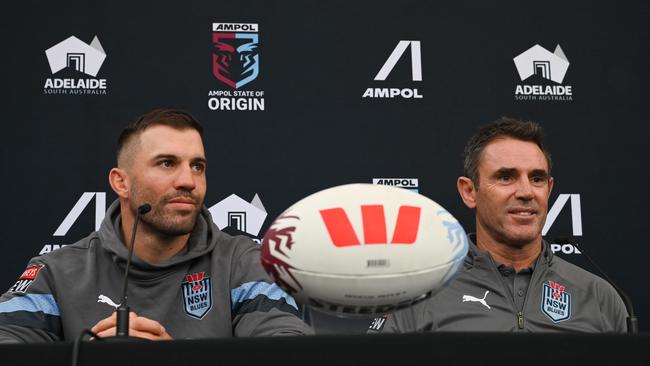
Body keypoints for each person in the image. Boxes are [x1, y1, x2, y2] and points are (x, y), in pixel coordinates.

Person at [0, 108, 312, 342]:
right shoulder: (57, 273)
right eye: (167, 163)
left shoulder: (243, 263)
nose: (188, 181)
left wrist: (174, 363)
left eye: (197, 166)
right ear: (121, 182)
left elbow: (286, 351)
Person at [370, 117, 628, 333]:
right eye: (506, 177)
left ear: (549, 190)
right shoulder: (417, 295)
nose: (526, 192)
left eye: (537, 178)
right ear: (469, 191)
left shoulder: (599, 296)